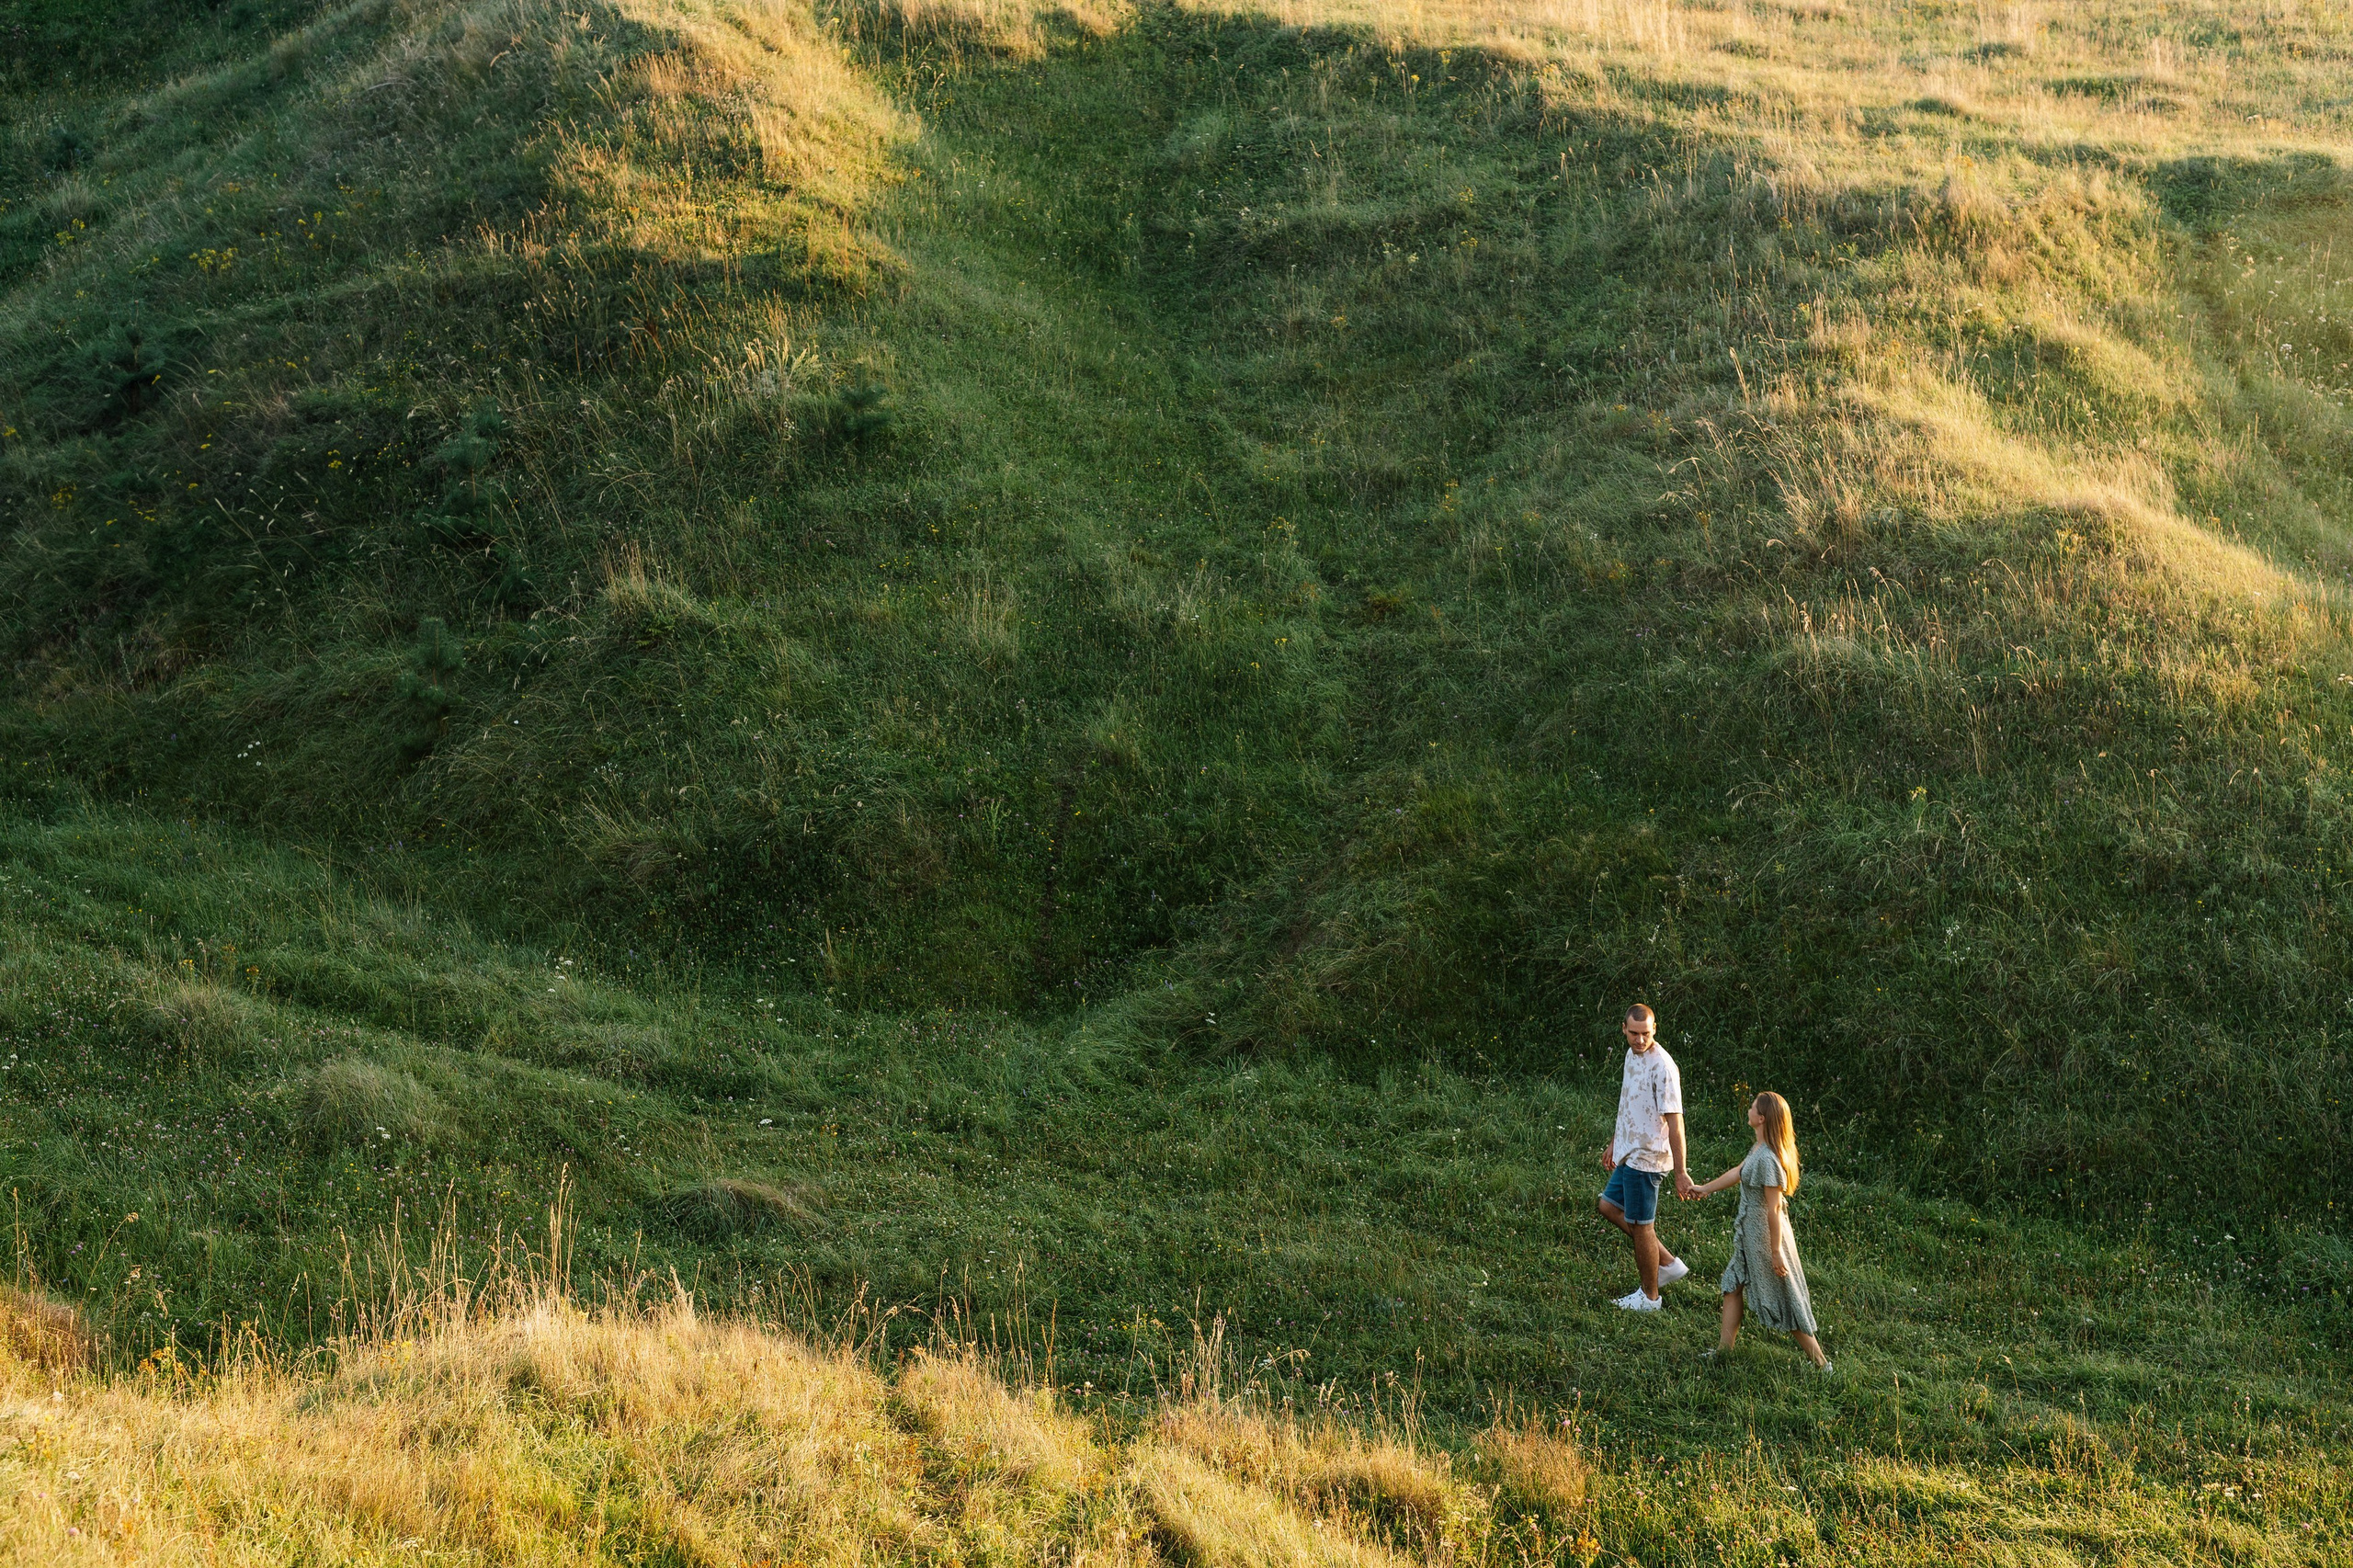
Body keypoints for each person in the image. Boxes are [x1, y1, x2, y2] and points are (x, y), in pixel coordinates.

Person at [1688, 1091, 1829, 1370]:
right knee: (1733, 1286)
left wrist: (1775, 1252)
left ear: (1762, 1118)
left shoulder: (1768, 1159)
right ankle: (1723, 1352)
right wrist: (1704, 1189)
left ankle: (1822, 1364)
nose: (1749, 1109)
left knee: (1783, 1298)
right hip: (1749, 1235)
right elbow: (1738, 1172)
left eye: (1753, 1107)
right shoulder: (1758, 1149)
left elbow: (1773, 1209)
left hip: (1765, 1239)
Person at [1596, 1003, 1693, 1312]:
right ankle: (1667, 1263)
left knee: (1641, 1226)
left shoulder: (1662, 1067)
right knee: (1609, 1206)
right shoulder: (1631, 1055)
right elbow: (1629, 1103)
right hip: (1629, 1151)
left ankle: (1650, 1297)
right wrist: (1616, 1143)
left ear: (1655, 1030)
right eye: (1634, 1033)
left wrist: (1681, 1171)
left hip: (1648, 1158)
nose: (1640, 1040)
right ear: (1624, 1029)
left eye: (1646, 1034)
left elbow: (1676, 1124)